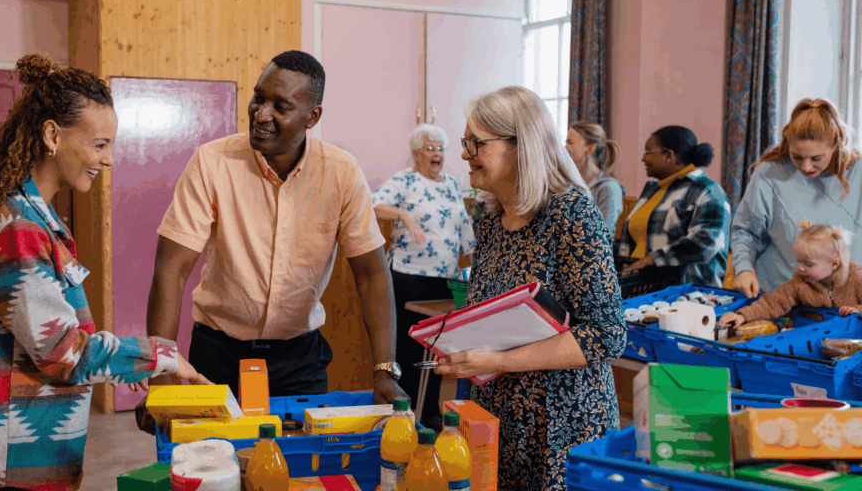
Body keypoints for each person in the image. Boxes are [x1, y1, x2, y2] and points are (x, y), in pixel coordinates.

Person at [0, 54, 209, 490]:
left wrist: (125, 364)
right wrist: (161, 356)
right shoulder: (18, 229)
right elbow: (65, 354)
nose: (110, 159)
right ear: (52, 135)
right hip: (10, 462)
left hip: (0, 445)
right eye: (100, 145)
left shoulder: (23, 214)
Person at [137, 50, 406, 433]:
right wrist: (161, 371)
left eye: (280, 106)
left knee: (300, 471)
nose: (262, 114)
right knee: (218, 468)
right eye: (258, 98)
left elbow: (372, 274)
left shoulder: (342, 174)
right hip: (218, 354)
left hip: (299, 359)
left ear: (312, 117)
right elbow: (171, 269)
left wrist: (384, 368)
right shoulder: (212, 163)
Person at [433, 86, 625, 490]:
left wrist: (498, 362)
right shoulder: (488, 219)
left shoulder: (571, 212)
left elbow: (606, 336)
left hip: (563, 425)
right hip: (496, 421)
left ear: (522, 146)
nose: (464, 154)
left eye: (475, 143)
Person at [371, 123, 476, 428]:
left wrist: (477, 262)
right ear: (416, 153)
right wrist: (403, 214)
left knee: (437, 347)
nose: (437, 154)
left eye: (441, 148)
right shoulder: (405, 180)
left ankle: (429, 412)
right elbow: (372, 203)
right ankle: (403, 414)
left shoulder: (453, 184)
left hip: (446, 278)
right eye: (430, 148)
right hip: (408, 276)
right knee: (407, 348)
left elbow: (464, 226)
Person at [731, 98, 862, 298]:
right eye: (797, 157)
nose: (806, 167)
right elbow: (745, 230)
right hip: (781, 298)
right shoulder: (770, 174)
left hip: (846, 305)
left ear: (836, 145)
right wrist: (743, 267)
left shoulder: (857, 173)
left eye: (816, 158)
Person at [616, 126, 731, 287]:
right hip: (641, 290)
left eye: (647, 152)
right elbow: (634, 239)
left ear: (669, 155)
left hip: (686, 295)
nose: (643, 159)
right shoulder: (652, 189)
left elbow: (706, 242)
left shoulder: (707, 191)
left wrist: (651, 260)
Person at [721, 221, 862, 327]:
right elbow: (774, 302)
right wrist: (743, 315)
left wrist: (857, 309)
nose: (800, 268)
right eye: (799, 261)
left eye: (808, 264)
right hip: (815, 335)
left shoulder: (856, 279)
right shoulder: (800, 283)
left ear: (835, 264)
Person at [565, 121, 626, 231]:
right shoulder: (569, 185)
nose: (565, 148)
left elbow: (604, 233)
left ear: (590, 148)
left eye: (570, 142)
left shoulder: (609, 188)